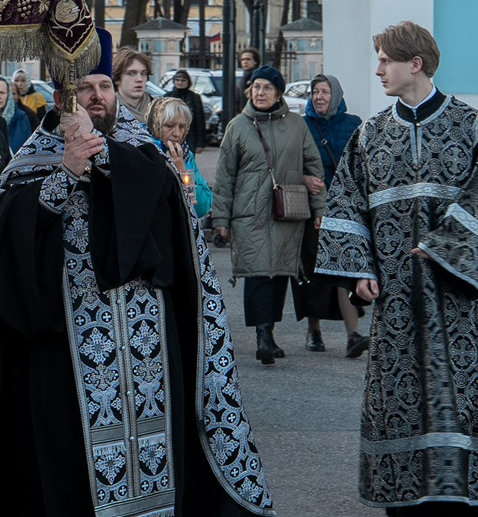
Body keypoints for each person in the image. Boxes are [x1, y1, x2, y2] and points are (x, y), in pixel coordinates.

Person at [0, 32, 275, 517]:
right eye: (85, 87)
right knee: (68, 461)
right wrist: (61, 180)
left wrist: (101, 162)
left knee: (144, 449)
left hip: (142, 342)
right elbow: (2, 242)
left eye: (104, 85)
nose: (98, 95)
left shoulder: (140, 150)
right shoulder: (32, 158)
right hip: (58, 344)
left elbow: (164, 221)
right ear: (60, 95)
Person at [317, 21, 478, 517]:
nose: (378, 69)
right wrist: (361, 269)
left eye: (386, 60)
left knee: (476, 389)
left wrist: (439, 249)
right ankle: (413, 501)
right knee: (405, 391)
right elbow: (345, 203)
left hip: (463, 292)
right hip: (398, 292)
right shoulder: (370, 134)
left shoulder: (474, 125)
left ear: (416, 63)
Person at [213, 65, 325, 366]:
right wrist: (220, 220)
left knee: (279, 273)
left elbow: (314, 167)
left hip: (287, 211)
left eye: (266, 88)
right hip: (248, 212)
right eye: (255, 87)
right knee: (258, 272)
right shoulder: (238, 126)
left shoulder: (296, 125)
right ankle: (263, 335)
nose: (259, 93)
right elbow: (225, 177)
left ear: (278, 92)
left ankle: (270, 333)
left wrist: (319, 209)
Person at [300, 75, 368, 358]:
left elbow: (363, 163)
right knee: (314, 270)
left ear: (336, 95)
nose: (319, 97)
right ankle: (313, 330)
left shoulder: (353, 125)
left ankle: (353, 334)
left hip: (345, 207)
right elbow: (291, 162)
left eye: (325, 92)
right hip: (311, 207)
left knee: (345, 267)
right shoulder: (302, 125)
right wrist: (303, 179)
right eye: (315, 92)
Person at [151, 95, 211, 220]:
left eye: (182, 127)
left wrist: (182, 170)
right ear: (157, 125)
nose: (176, 133)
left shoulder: (185, 154)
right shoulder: (147, 151)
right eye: (169, 126)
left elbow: (202, 207)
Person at [166, 68, 209, 149]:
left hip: (190, 136)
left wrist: (200, 143)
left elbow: (199, 120)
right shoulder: (168, 97)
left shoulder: (194, 97)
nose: (180, 82)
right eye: (177, 80)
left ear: (188, 82)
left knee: (188, 160)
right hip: (171, 136)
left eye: (183, 80)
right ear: (174, 81)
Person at [112, 47, 154, 125]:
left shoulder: (160, 109)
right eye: (131, 73)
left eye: (143, 73)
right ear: (117, 78)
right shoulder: (108, 111)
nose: (139, 79)